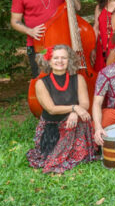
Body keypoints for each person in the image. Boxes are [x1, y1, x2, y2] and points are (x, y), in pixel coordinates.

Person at [26, 45, 96, 173]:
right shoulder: (41, 83)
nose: (60, 61)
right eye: (55, 58)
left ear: (69, 60)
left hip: (73, 123)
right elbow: (51, 109)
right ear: (49, 61)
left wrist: (74, 112)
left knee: (80, 155)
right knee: (51, 157)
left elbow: (85, 104)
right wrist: (74, 108)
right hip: (52, 127)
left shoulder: (78, 79)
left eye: (64, 58)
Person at [11, 0, 81, 77]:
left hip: (63, 45)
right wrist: (30, 31)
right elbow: (15, 21)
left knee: (68, 82)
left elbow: (77, 6)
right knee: (43, 82)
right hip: (39, 47)